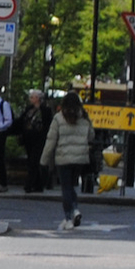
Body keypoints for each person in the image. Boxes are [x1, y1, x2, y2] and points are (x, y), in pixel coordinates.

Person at [41, 91, 96, 229]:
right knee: (72, 186)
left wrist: (44, 160)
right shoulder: (84, 118)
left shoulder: (58, 118)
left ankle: (68, 217)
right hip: (80, 158)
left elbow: (51, 140)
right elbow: (91, 136)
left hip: (63, 157)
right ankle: (75, 210)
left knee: (66, 188)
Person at [17, 89, 51, 193]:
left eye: (32, 97)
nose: (30, 99)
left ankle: (29, 184)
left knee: (34, 161)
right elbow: (22, 120)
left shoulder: (45, 110)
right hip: (29, 139)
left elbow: (47, 124)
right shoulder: (29, 109)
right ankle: (38, 185)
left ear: (38, 99)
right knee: (31, 161)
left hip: (39, 139)